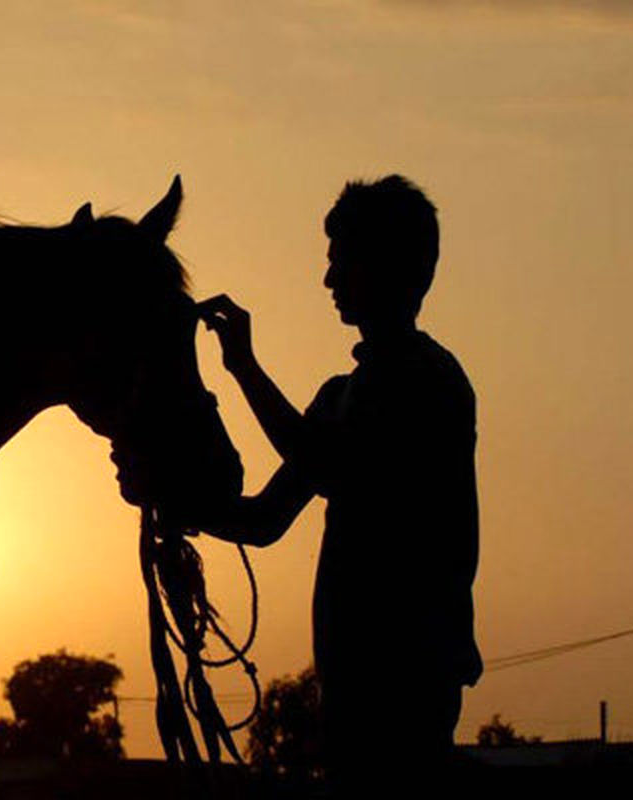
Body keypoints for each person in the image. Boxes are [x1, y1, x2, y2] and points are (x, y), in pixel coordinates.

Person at [195, 175, 481, 796]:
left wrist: (244, 368)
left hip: (407, 683)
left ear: (388, 266)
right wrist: (176, 498)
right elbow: (262, 521)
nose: (328, 281)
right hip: (353, 689)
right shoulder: (339, 396)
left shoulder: (427, 383)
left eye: (340, 262)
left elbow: (327, 466)